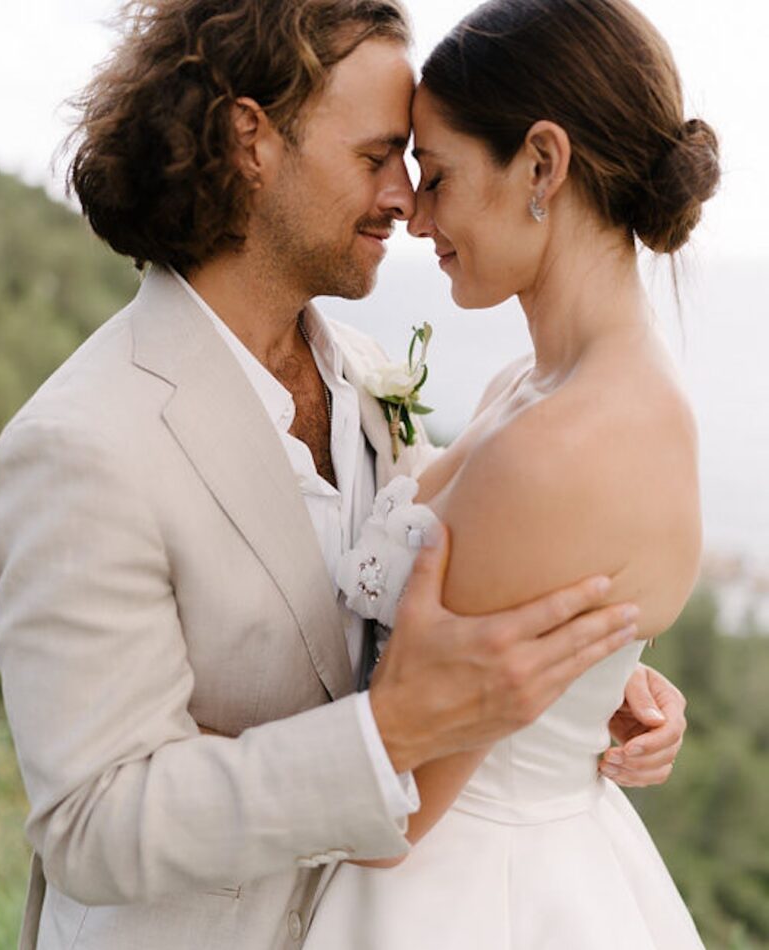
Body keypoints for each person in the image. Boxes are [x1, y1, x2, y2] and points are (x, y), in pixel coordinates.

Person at [0, 2, 686, 949]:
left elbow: (448, 595)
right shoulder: (80, 446)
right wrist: (388, 738)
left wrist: (588, 687)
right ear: (251, 143)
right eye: (377, 157)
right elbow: (91, 824)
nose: (405, 198)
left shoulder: (362, 372)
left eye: (418, 165)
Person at [304, 0, 719, 947]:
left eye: (440, 176)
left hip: (458, 894)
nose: (418, 215)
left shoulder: (559, 449)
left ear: (542, 163)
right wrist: (606, 691)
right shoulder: (536, 389)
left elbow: (392, 814)